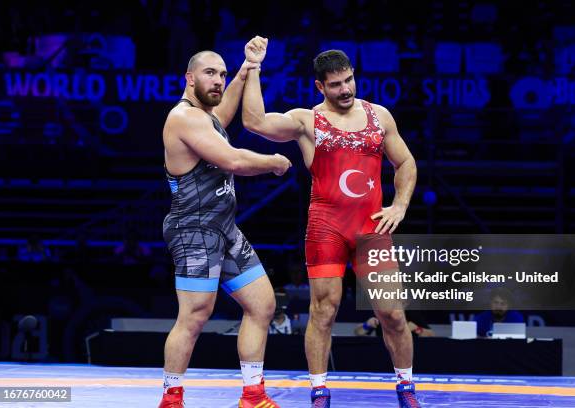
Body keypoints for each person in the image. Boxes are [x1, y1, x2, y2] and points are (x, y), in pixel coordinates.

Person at [242, 38, 419, 408]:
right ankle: (320, 393)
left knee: (393, 314)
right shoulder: (308, 121)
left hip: (372, 229)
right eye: (336, 84)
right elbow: (254, 122)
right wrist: (252, 67)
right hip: (326, 228)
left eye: (349, 80)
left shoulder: (379, 115)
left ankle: (406, 390)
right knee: (325, 310)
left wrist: (399, 206)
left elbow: (406, 162)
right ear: (320, 86)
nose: (345, 89)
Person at [159, 37, 292, 408]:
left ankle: (253, 395)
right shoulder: (183, 117)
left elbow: (225, 113)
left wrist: (248, 68)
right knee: (195, 314)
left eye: (221, 74)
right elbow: (233, 161)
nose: (218, 80)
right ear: (189, 77)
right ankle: (171, 399)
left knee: (263, 304)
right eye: (210, 73)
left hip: (223, 228)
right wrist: (273, 161)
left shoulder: (207, 117)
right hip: (194, 229)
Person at [355, 312, 435, 338]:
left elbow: (431, 335)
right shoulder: (380, 313)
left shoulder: (411, 314)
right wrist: (366, 325)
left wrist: (417, 329)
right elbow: (358, 333)